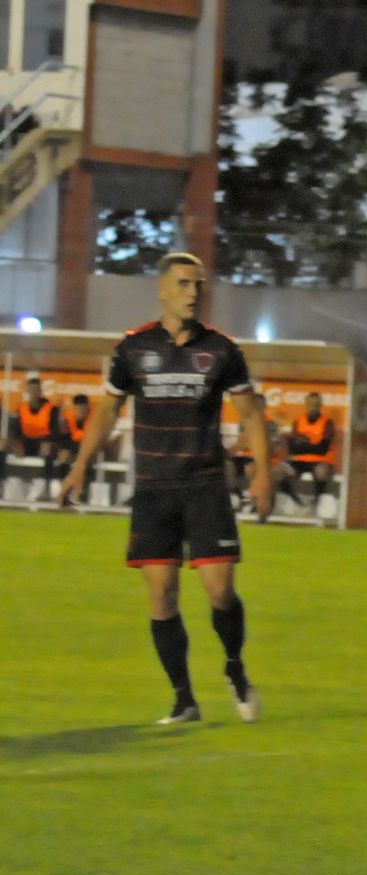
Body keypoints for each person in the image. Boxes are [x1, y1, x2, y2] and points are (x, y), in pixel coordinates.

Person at [58, 252, 272, 726]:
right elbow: (108, 412)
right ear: (162, 289)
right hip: (154, 490)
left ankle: (234, 667)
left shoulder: (221, 350)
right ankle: (184, 700)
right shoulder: (133, 348)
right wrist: (79, 467)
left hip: (204, 485)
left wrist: (262, 474)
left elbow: (253, 415)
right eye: (183, 284)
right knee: (162, 596)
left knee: (220, 590)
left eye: (198, 285)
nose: (193, 292)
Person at [7, 374, 62, 498]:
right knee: (5, 448)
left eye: (36, 390)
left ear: (40, 391)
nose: (34, 393)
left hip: (44, 443)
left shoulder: (51, 409)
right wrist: (17, 443)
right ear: (27, 391)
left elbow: (55, 432)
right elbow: (15, 430)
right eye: (31, 390)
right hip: (27, 442)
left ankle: (46, 490)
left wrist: (48, 442)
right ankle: (4, 487)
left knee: (49, 451)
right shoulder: (22, 408)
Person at [284, 391, 339, 512]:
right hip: (299, 461)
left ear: (320, 406)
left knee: (321, 472)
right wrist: (312, 445)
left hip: (321, 461)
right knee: (284, 470)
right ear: (306, 405)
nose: (313, 408)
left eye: (316, 405)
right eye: (310, 404)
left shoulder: (327, 423)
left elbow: (322, 449)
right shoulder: (298, 422)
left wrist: (304, 444)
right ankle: (294, 501)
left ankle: (316, 502)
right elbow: (292, 447)